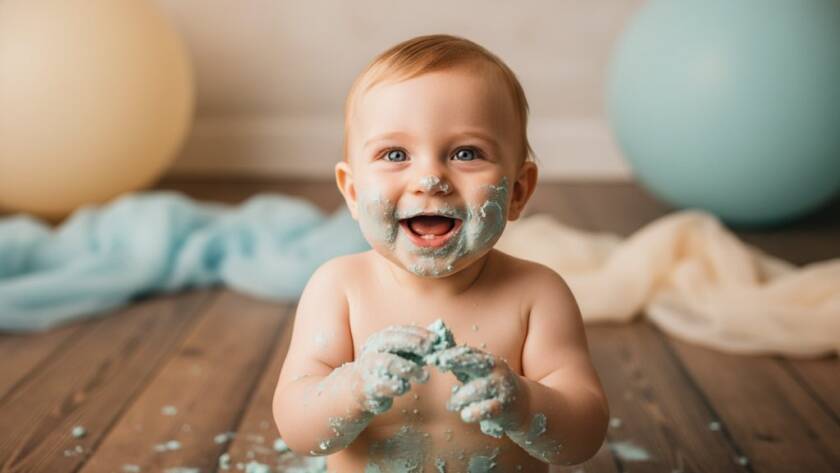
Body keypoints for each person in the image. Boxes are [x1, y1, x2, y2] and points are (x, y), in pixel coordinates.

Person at [273, 34, 609, 472]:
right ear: (353, 192)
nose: (430, 179)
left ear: (518, 191)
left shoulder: (537, 295)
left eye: (465, 153)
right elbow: (299, 430)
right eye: (395, 154)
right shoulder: (339, 289)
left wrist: (524, 405)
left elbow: (582, 437)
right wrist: (351, 389)